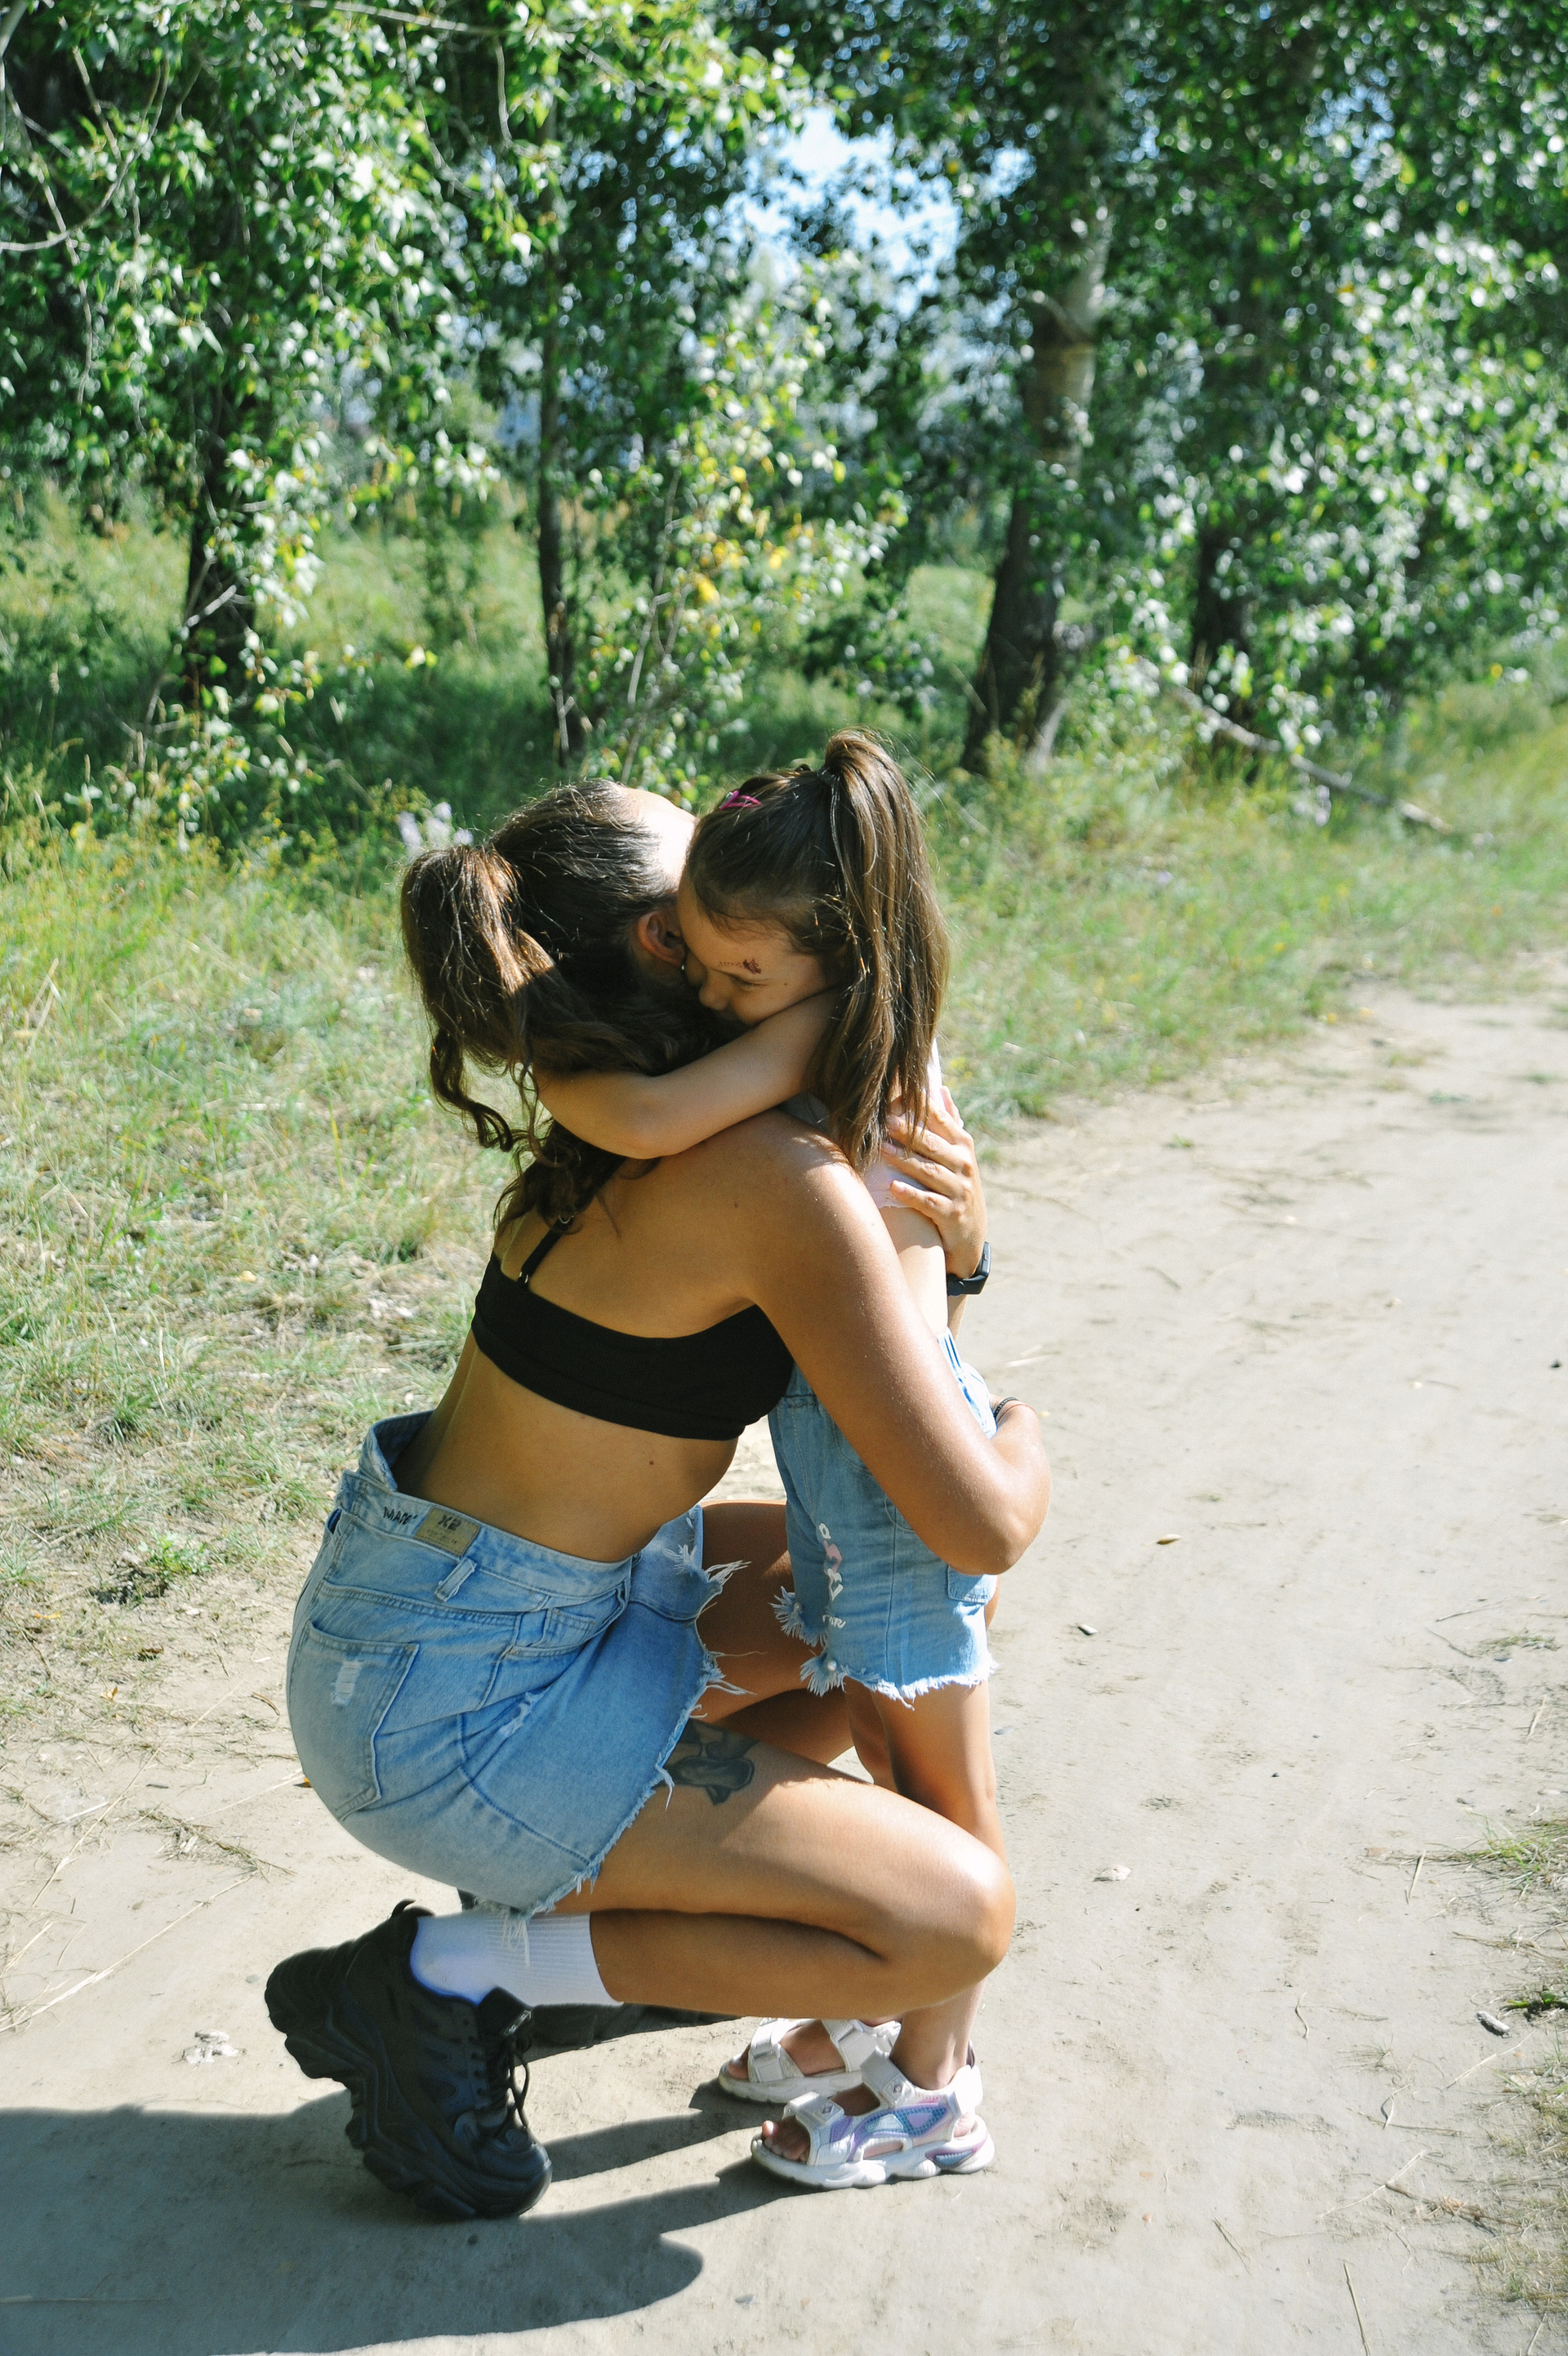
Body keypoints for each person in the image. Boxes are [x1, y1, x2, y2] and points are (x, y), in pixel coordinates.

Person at [265, 774, 1049, 2213]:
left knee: (839, 1601)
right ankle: (459, 1969)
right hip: (464, 1717)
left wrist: (958, 1244)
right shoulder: (763, 1177)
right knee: (956, 1917)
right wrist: (1024, 1424)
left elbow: (883, 1477)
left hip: (426, 1637)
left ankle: (628, 1900)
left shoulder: (622, 1130)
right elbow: (976, 1518)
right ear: (669, 943)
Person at [532, 739, 1013, 2184]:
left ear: (838, 955)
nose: (716, 999)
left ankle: (933, 2086)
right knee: (883, 1743)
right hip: (852, 1464)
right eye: (708, 965)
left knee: (941, 1800)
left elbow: (647, 1116)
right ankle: (868, 2018)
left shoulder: (828, 1035)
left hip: (895, 1481)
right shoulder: (844, 1020)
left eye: (743, 976)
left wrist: (541, 1050)